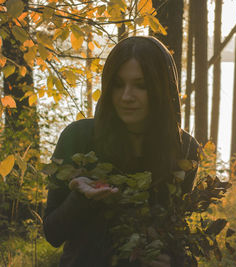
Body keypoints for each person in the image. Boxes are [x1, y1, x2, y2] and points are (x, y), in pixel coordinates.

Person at [43, 36, 200, 267]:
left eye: (141, 85)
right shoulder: (78, 138)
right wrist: (80, 198)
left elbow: (173, 234)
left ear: (161, 89)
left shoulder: (184, 148)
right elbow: (52, 233)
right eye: (118, 84)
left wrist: (176, 262)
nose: (126, 96)